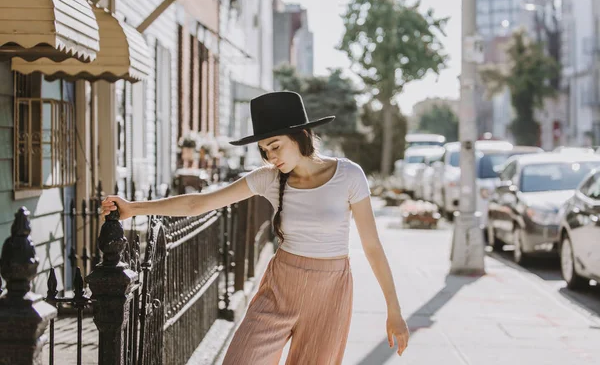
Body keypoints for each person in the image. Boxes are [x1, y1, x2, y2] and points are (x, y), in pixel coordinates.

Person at [101, 91, 409, 364]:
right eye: (264, 150)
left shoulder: (349, 176)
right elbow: (200, 203)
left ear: (301, 135)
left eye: (275, 146)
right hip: (280, 287)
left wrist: (393, 310)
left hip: (331, 292)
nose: (271, 157)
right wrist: (134, 208)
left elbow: (372, 247)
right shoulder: (269, 179)